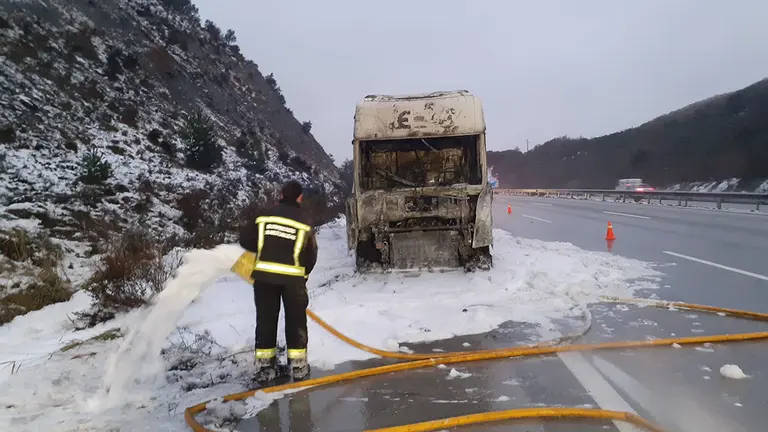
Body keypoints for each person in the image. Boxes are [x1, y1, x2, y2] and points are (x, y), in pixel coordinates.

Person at [239, 180, 318, 382]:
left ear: (281, 194)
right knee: (296, 321)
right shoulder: (305, 220)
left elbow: (245, 241)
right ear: (300, 197)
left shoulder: (264, 215)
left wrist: (267, 248)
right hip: (293, 280)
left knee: (265, 320)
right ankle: (299, 367)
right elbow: (310, 254)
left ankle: (265, 368)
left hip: (264, 278)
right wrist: (304, 274)